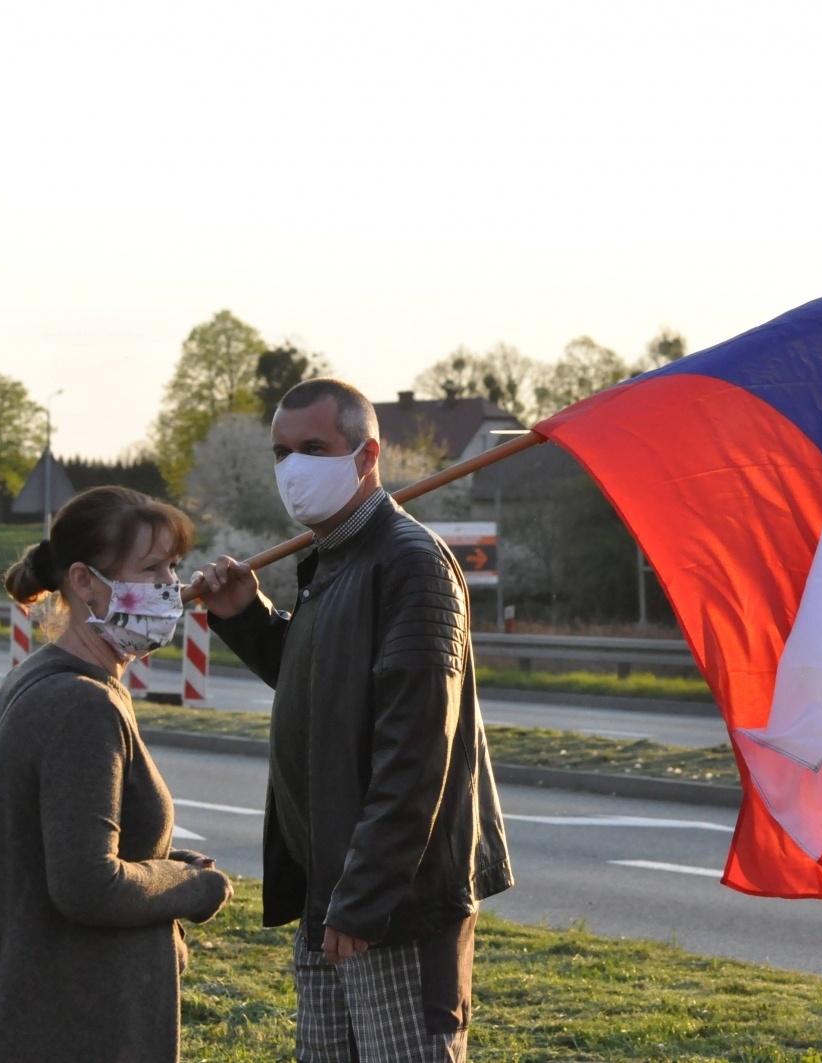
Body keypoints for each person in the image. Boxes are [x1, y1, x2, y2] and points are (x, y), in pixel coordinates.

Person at [193, 378, 512, 1062]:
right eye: (281, 452)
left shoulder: (410, 564)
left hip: (394, 908)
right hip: (332, 901)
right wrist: (245, 617)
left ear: (367, 455)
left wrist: (363, 899)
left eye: (313, 447)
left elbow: (416, 749)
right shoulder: (334, 561)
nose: (294, 468)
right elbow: (329, 690)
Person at [0, 486, 234, 1063]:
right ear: (84, 581)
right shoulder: (83, 705)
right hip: (73, 1018)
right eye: (150, 568)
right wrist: (194, 887)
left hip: (38, 1003)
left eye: (173, 567)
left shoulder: (44, 674)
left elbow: (60, 842)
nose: (169, 587)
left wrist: (163, 867)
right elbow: (89, 886)